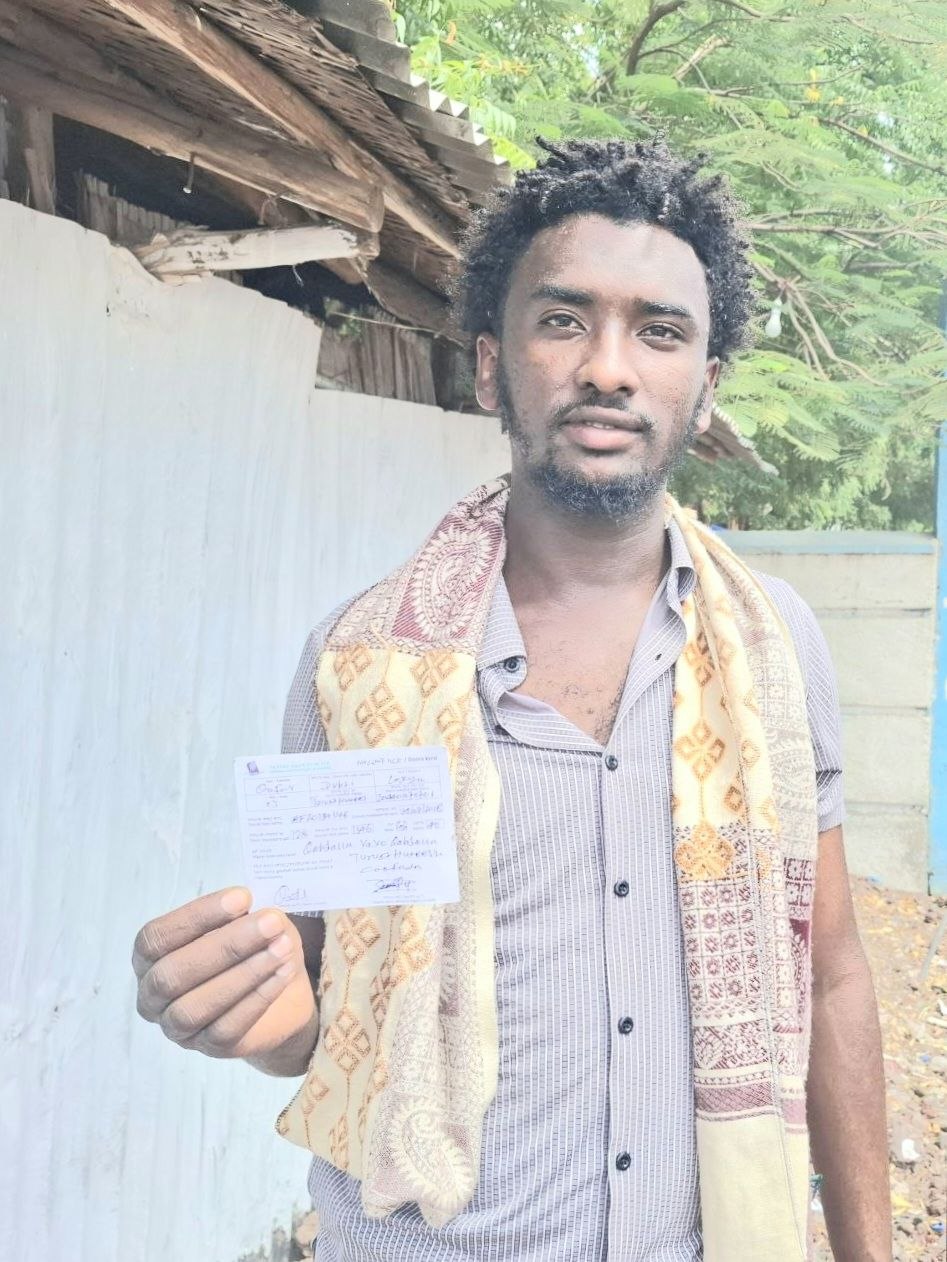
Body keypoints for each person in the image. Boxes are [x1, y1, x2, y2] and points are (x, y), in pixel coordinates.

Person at [132, 138, 891, 1261]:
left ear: (703, 389)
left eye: (659, 332)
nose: (608, 368)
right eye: (563, 320)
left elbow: (828, 972)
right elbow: (328, 1014)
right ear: (490, 368)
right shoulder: (363, 665)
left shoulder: (775, 649)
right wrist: (251, 1011)